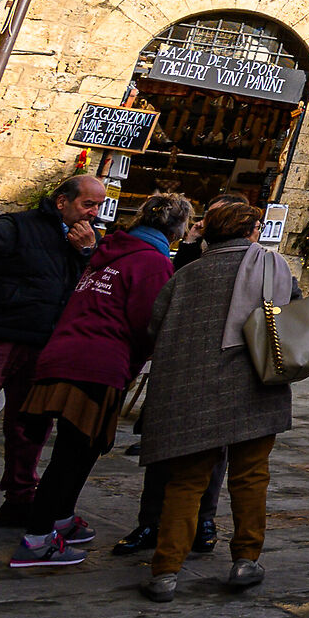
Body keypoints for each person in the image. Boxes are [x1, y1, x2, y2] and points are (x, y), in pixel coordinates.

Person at [6, 195, 191, 569]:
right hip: (98, 361)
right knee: (72, 454)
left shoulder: (110, 251)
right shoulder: (152, 262)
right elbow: (147, 321)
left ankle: (59, 519)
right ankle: (38, 540)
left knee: (81, 448)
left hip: (65, 350)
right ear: (176, 229)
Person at [137, 199, 300, 602]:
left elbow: (155, 326)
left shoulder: (186, 275)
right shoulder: (272, 266)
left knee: (186, 482)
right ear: (250, 232)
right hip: (255, 384)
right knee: (250, 475)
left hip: (191, 389)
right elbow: (292, 313)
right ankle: (245, 558)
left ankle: (165, 571)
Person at [0, 173, 104, 537]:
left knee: (30, 426)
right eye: (87, 204)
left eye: (97, 206)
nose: (94, 213)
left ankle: (19, 499)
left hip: (41, 345)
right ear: (62, 201)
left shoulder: (83, 241)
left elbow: (84, 287)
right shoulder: (18, 227)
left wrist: (85, 253)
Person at [111, 209, 224, 560]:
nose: (201, 228)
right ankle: (150, 521)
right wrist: (190, 245)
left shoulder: (253, 265)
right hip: (176, 364)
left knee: (210, 454)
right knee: (161, 447)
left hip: (219, 368)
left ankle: (203, 521)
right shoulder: (188, 257)